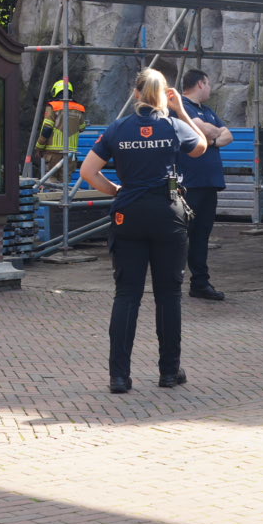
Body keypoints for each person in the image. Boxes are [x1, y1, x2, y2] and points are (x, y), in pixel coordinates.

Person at [80, 68, 209, 394]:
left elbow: (88, 171)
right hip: (167, 214)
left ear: (136, 93)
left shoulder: (118, 128)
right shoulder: (173, 126)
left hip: (129, 215)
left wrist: (116, 191)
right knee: (168, 295)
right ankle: (169, 371)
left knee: (127, 295)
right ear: (164, 95)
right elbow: (201, 147)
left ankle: (119, 376)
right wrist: (181, 110)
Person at [177, 69, 232, 300]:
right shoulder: (180, 107)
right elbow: (201, 128)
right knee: (180, 234)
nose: (210, 88)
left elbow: (228, 135)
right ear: (201, 83)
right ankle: (172, 280)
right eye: (208, 84)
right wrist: (210, 134)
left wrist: (210, 140)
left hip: (209, 184)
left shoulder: (208, 111)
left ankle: (200, 283)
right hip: (189, 184)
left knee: (201, 235)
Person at [36, 78, 86, 183]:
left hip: (53, 153)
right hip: (71, 153)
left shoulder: (53, 106)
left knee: (51, 181)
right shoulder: (79, 108)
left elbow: (47, 129)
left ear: (56, 91)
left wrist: (39, 146)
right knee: (65, 183)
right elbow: (82, 128)